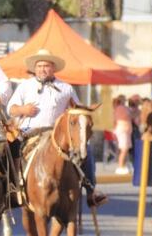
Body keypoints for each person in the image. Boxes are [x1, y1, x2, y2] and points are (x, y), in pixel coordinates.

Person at [7, 48, 107, 207]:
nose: (42, 69)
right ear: (34, 68)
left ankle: (91, 191)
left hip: (56, 135)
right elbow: (10, 109)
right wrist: (23, 110)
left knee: (85, 150)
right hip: (30, 133)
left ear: (53, 68)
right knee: (9, 149)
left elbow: (76, 109)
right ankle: (11, 189)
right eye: (39, 66)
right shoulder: (25, 86)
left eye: (46, 66)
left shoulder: (66, 88)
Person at [113, 95, 133, 175]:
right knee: (124, 149)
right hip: (123, 130)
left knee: (125, 149)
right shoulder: (121, 108)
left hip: (125, 130)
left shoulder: (122, 108)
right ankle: (120, 166)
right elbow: (127, 116)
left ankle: (124, 165)